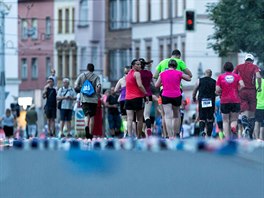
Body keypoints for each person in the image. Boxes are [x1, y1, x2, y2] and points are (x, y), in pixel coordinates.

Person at [154, 49, 192, 137]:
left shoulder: (162, 74)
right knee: (176, 115)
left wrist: (164, 82)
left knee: (167, 116)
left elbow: (156, 85)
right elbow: (189, 78)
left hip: (165, 95)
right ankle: (176, 134)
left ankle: (169, 135)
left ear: (168, 65)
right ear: (175, 66)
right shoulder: (179, 73)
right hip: (177, 95)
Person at [234, 53, 262, 139]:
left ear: (245, 60)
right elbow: (258, 76)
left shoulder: (238, 67)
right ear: (252, 60)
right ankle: (250, 133)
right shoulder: (254, 67)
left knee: (243, 111)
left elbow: (234, 76)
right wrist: (259, 87)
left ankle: (245, 125)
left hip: (242, 91)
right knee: (252, 114)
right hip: (252, 91)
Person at [216, 62, 245, 139]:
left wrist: (220, 93)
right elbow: (242, 85)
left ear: (224, 68)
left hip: (224, 100)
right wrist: (237, 90)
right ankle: (233, 127)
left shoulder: (220, 77)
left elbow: (217, 89)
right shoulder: (237, 76)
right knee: (234, 119)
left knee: (225, 121)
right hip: (235, 100)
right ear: (232, 68)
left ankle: (227, 139)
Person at [74, 63, 101, 139]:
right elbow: (98, 87)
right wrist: (98, 92)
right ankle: (91, 134)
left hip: (84, 99)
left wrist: (81, 90)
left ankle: (86, 126)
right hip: (93, 100)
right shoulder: (96, 77)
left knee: (86, 115)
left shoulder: (82, 75)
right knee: (92, 116)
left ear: (87, 68)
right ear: (93, 69)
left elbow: (75, 86)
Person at [125, 59, 148, 138]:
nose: (139, 66)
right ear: (133, 66)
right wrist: (146, 94)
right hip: (138, 98)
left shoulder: (128, 74)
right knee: (139, 118)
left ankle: (130, 135)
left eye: (140, 64)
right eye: (137, 64)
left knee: (129, 118)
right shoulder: (137, 74)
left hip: (128, 98)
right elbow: (140, 85)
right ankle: (138, 136)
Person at [192, 69, 216, 137]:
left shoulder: (199, 80)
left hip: (202, 101)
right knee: (210, 119)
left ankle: (202, 131)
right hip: (211, 101)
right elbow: (217, 91)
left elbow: (195, 89)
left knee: (202, 118)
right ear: (211, 74)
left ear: (204, 73)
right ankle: (209, 134)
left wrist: (193, 97)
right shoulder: (214, 82)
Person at [139, 58, 154, 137]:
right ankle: (148, 128)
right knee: (146, 115)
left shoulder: (137, 73)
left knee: (138, 115)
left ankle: (140, 132)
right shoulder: (149, 73)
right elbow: (153, 84)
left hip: (139, 95)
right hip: (149, 94)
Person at [114, 66, 130, 137]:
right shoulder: (133, 79)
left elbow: (115, 90)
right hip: (130, 99)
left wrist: (121, 90)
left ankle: (125, 132)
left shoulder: (121, 80)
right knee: (131, 117)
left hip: (122, 100)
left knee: (124, 118)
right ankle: (131, 132)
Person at [253, 70, 264, 140]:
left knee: (257, 122)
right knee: (263, 123)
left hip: (257, 105)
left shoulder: (255, 82)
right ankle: (261, 138)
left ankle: (257, 138)